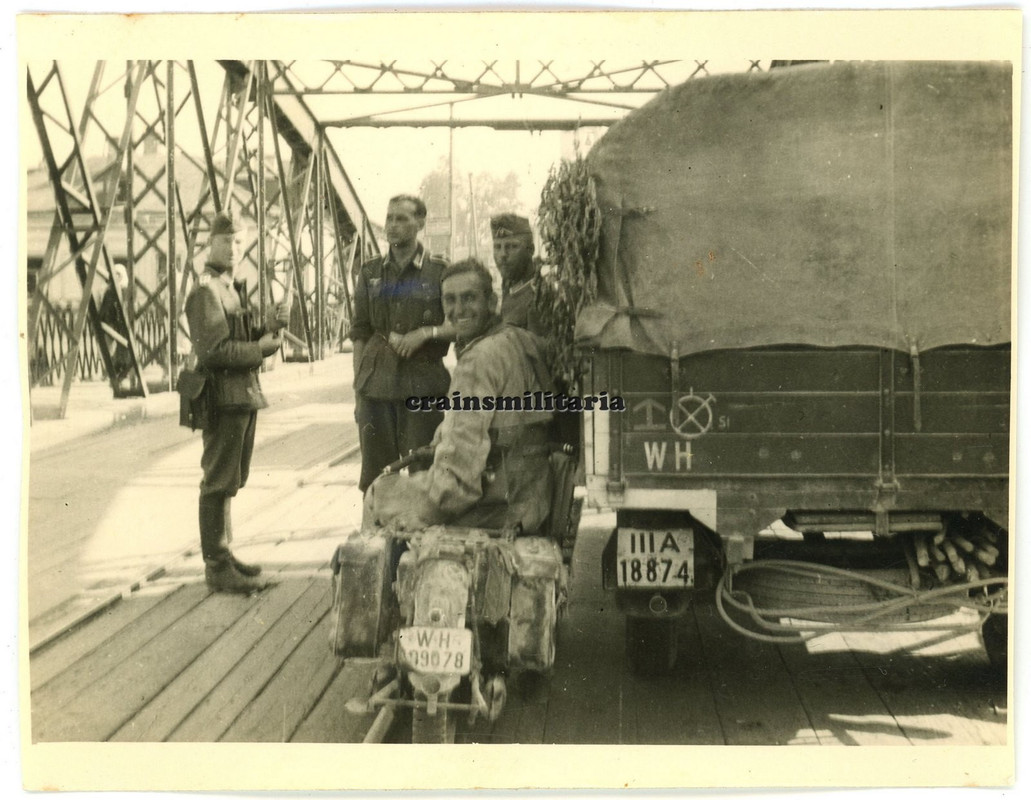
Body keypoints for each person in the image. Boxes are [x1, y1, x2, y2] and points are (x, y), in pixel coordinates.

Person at [365, 258, 556, 534]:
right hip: (531, 500)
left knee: (377, 494)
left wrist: (425, 508)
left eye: (469, 298)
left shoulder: (477, 361)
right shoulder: (517, 340)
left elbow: (457, 483)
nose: (458, 310)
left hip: (495, 509)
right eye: (450, 300)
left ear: (491, 302)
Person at [184, 211, 289, 594]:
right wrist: (260, 349)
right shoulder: (206, 291)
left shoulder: (229, 287)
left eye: (239, 242)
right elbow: (213, 351)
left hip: (241, 395)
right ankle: (216, 565)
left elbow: (239, 337)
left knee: (231, 480)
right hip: (222, 398)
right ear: (210, 243)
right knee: (217, 481)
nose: (233, 249)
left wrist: (267, 328)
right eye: (226, 241)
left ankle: (224, 555)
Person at [350, 194, 453, 493]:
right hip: (375, 388)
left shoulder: (439, 271)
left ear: (420, 223)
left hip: (422, 387)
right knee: (375, 478)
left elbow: (460, 325)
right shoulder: (370, 272)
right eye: (389, 218)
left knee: (425, 473)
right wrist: (358, 392)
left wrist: (425, 333)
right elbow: (360, 334)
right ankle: (375, 524)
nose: (392, 225)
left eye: (402, 218)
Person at [490, 213, 545, 335]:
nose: (503, 254)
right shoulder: (509, 282)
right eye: (497, 247)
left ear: (530, 249)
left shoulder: (540, 291)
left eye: (512, 246)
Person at [99, 262, 135, 392]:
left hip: (122, 325)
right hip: (110, 324)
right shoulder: (110, 290)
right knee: (109, 350)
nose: (116, 277)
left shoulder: (126, 290)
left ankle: (120, 376)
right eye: (115, 274)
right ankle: (111, 375)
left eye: (118, 274)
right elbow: (104, 307)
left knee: (122, 351)